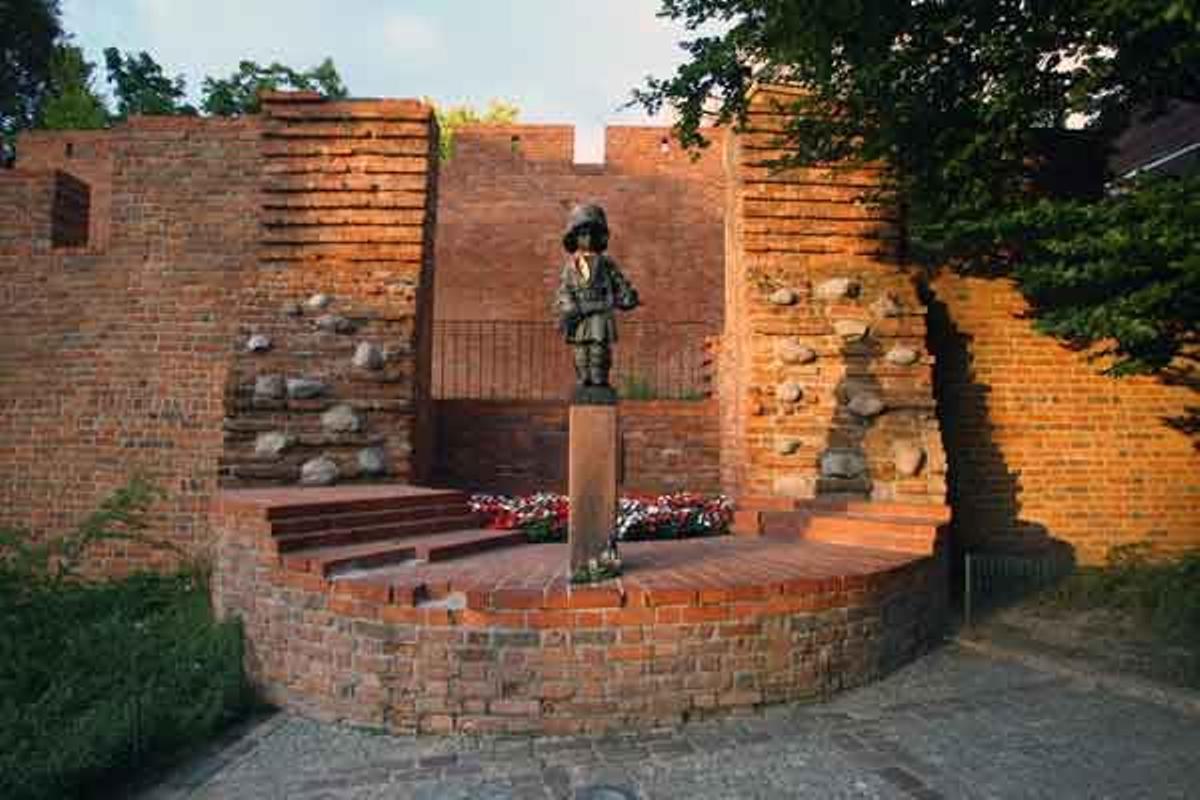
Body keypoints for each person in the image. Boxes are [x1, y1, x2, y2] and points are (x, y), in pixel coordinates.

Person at [554, 204, 639, 402]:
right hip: (580, 314)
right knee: (581, 351)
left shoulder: (606, 263)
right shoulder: (570, 267)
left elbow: (620, 284)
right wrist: (569, 306)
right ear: (575, 238)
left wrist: (627, 296)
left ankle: (599, 381)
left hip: (600, 312)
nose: (588, 239)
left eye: (592, 233)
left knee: (598, 349)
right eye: (583, 234)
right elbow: (564, 290)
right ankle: (584, 379)